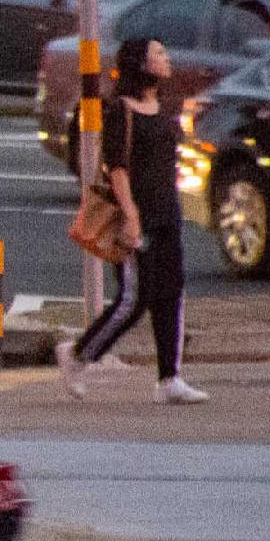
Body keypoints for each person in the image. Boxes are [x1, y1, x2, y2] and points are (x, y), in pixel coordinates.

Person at [59, 38, 207, 404]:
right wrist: (130, 214)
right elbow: (118, 167)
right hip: (136, 216)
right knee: (134, 298)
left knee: (172, 292)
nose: (166, 58)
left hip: (167, 212)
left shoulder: (165, 107)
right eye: (159, 54)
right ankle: (78, 355)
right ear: (141, 64)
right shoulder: (119, 110)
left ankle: (169, 379)